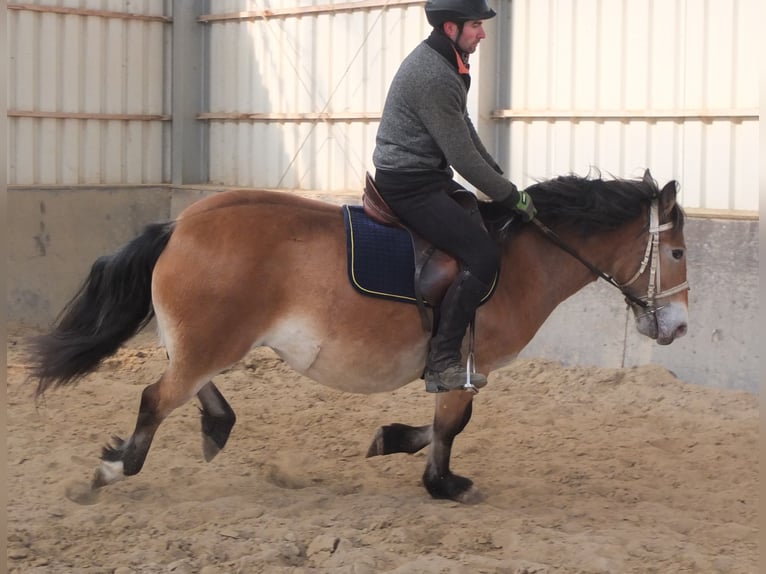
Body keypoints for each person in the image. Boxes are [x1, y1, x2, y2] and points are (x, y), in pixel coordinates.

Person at [372, 0, 537, 393]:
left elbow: (466, 135)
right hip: (409, 183)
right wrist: (510, 196)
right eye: (476, 25)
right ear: (451, 28)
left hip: (428, 175)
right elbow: (462, 157)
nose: (482, 33)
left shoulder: (449, 62)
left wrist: (500, 182)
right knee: (483, 255)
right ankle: (443, 360)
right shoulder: (435, 75)